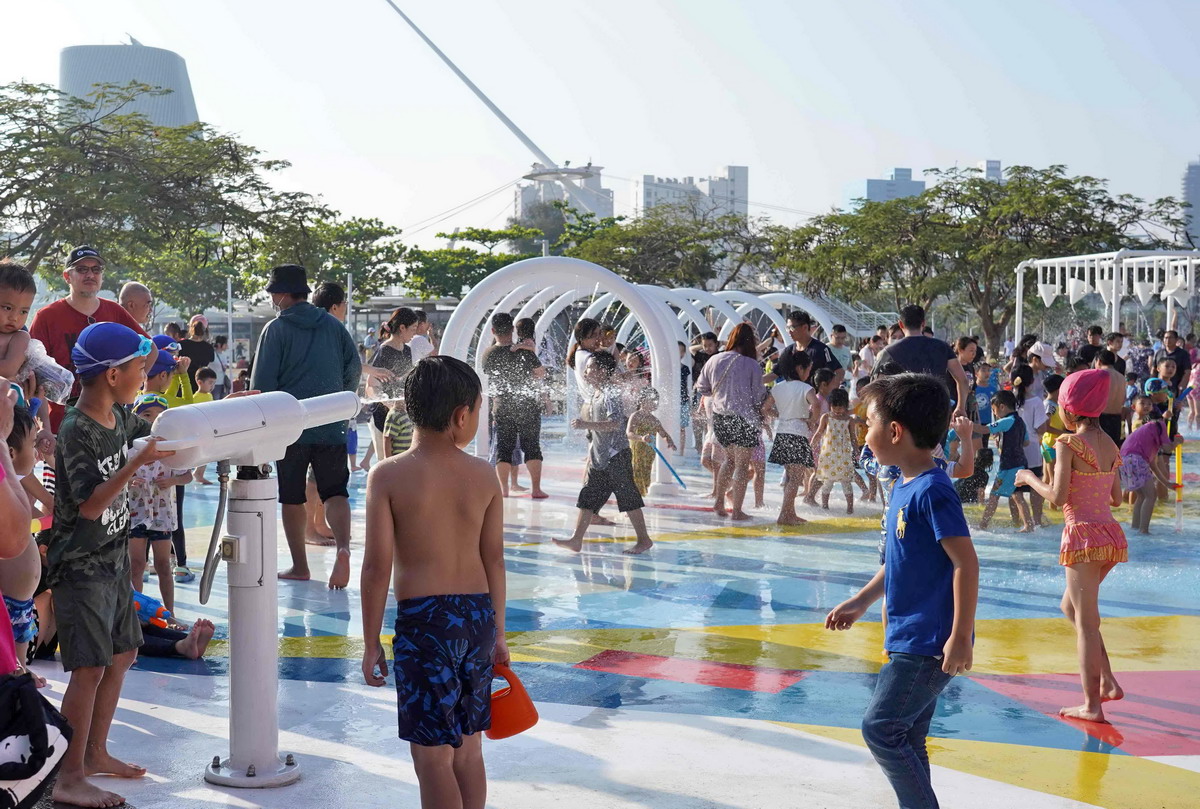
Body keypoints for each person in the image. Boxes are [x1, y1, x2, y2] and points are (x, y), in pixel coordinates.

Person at [359, 356, 508, 809]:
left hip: (425, 626)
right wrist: (498, 632)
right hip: (477, 619)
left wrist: (370, 643)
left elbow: (376, 567)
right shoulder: (484, 475)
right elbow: (495, 561)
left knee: (431, 758)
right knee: (469, 748)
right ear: (462, 415)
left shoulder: (388, 475)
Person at [825, 373, 978, 809]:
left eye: (869, 423)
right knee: (908, 735)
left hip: (930, 641)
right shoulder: (902, 486)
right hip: (909, 635)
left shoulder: (932, 490)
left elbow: (965, 562)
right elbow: (898, 561)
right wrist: (861, 601)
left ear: (894, 431)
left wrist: (961, 635)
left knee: (881, 728)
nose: (864, 433)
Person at [45, 322, 173, 808]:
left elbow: (163, 430)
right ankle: (68, 775)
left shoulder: (120, 417)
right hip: (80, 566)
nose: (147, 376)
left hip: (112, 561)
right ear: (115, 374)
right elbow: (90, 507)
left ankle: (95, 752)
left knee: (121, 655)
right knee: (88, 668)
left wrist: (234, 411)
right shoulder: (77, 430)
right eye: (142, 369)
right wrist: (134, 466)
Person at [1015, 370, 1126, 723]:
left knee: (1086, 623)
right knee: (1074, 610)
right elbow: (1117, 498)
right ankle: (1107, 681)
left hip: (1082, 536)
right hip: (1109, 535)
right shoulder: (1110, 444)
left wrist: (1030, 477)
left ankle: (1092, 705)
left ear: (1070, 411)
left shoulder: (1067, 443)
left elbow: (1058, 498)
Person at [250, 264, 361, 590]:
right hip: (330, 423)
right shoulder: (333, 326)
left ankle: (300, 566)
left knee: (292, 497)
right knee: (335, 492)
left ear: (280, 294)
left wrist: (264, 431)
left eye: (272, 293)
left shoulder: (276, 329)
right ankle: (343, 548)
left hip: (291, 427)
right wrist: (337, 403)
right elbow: (353, 370)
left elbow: (263, 386)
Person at [29, 246, 157, 432]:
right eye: (82, 269)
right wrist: (44, 428)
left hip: (110, 423)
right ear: (67, 276)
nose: (90, 274)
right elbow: (35, 374)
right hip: (62, 425)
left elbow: (150, 348)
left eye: (96, 269)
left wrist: (130, 386)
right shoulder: (46, 317)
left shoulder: (114, 311)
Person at [555, 351, 655, 554]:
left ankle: (644, 540)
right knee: (587, 497)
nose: (586, 370)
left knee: (628, 498)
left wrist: (586, 424)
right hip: (600, 456)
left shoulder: (611, 394)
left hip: (616, 455)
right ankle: (576, 539)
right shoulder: (596, 394)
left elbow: (616, 423)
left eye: (591, 367)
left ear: (602, 371)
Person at [695, 323, 770, 521]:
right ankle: (736, 511)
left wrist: (720, 395)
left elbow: (702, 387)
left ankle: (719, 502)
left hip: (720, 418)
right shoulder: (751, 364)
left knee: (728, 460)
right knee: (742, 466)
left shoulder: (714, 359)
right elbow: (757, 396)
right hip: (743, 419)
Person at [127, 393, 192, 619]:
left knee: (164, 565)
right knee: (136, 565)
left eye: (157, 416)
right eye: (146, 415)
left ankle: (170, 612)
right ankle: (135, 616)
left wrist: (173, 480)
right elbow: (117, 477)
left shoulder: (172, 451)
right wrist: (129, 480)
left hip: (162, 516)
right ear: (135, 417)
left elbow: (187, 476)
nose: (151, 421)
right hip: (137, 514)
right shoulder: (131, 451)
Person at [0, 405, 46, 685]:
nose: (38, 453)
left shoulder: (16, 484)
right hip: (9, 593)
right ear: (11, 453)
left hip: (21, 596)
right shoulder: (7, 487)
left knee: (22, 630)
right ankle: (14, 668)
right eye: (33, 445)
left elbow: (35, 516)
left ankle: (20, 666)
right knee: (12, 630)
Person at [482, 313, 547, 499]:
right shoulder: (524, 351)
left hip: (502, 406)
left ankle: (504, 490)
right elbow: (540, 373)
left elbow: (489, 373)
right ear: (512, 329)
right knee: (532, 446)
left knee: (504, 448)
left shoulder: (488, 354)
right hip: (527, 404)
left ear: (493, 330)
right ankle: (536, 489)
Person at [870, 305, 969, 419]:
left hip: (903, 414)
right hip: (937, 412)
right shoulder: (943, 348)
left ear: (901, 324)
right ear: (923, 323)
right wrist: (960, 407)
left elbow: (875, 386)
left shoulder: (888, 352)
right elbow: (963, 380)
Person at [764, 350, 818, 526]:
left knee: (790, 476)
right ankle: (784, 515)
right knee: (796, 478)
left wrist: (780, 414)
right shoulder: (805, 388)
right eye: (808, 369)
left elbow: (764, 409)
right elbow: (816, 404)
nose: (809, 373)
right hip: (798, 434)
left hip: (782, 433)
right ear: (800, 368)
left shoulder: (778, 387)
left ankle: (790, 513)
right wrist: (812, 420)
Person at [975, 390, 1033, 532]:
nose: (994, 414)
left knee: (994, 495)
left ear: (1002, 407)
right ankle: (1028, 525)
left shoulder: (1006, 421)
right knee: (1017, 495)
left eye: (994, 410)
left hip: (1008, 466)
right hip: (1021, 463)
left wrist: (965, 425)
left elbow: (983, 429)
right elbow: (1026, 443)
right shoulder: (1020, 421)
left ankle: (983, 525)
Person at [366, 308, 418, 462]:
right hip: (383, 418)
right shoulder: (385, 351)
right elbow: (371, 386)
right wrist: (391, 405)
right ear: (402, 328)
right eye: (413, 329)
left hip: (402, 417)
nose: (414, 333)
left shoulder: (407, 351)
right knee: (386, 465)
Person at [1120, 418, 1182, 535]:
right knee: (1151, 495)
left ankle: (1135, 528)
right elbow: (1167, 448)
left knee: (1142, 496)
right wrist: (1176, 442)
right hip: (1135, 459)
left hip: (1124, 461)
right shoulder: (1159, 425)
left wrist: (1167, 484)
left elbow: (1153, 466)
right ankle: (1144, 530)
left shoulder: (1145, 437)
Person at [810, 388, 858, 514]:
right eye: (834, 406)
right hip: (828, 456)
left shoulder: (849, 420)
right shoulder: (826, 417)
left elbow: (853, 437)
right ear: (830, 405)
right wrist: (811, 445)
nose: (837, 410)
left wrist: (857, 451)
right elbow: (819, 433)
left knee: (846, 481)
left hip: (844, 456)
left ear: (846, 406)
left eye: (840, 407)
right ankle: (825, 506)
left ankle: (850, 508)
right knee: (827, 481)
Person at [775, 310, 844, 390]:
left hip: (814, 399)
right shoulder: (788, 351)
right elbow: (775, 373)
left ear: (805, 327)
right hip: (795, 398)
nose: (789, 332)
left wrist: (828, 393)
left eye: (792, 328)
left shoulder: (820, 349)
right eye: (787, 328)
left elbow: (839, 371)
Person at [626, 387, 676, 496]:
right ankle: (633, 502)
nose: (655, 403)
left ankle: (639, 500)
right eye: (652, 400)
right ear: (642, 400)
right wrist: (641, 438)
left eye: (656, 400)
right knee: (635, 474)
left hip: (649, 453)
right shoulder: (636, 416)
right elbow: (629, 433)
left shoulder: (654, 419)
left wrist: (670, 441)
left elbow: (663, 433)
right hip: (636, 452)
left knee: (645, 475)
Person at [688, 331, 720, 451]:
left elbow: (730, 347)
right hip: (700, 390)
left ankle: (710, 441)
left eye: (710, 345)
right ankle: (698, 444)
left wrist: (721, 342)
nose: (707, 348)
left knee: (710, 418)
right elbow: (691, 348)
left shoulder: (720, 355)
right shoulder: (701, 356)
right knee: (698, 417)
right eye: (705, 346)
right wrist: (703, 345)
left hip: (715, 392)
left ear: (716, 344)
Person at [1094, 349, 1127, 448]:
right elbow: (1124, 399)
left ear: (1098, 361)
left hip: (1101, 418)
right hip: (1116, 419)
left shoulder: (1099, 374)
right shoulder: (1121, 377)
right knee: (1112, 454)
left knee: (1099, 453)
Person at [178, 316, 215, 389]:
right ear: (205, 329)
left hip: (183, 383)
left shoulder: (181, 345)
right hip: (202, 384)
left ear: (190, 327)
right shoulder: (208, 347)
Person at [1153, 330, 1191, 396]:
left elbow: (1187, 371)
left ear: (1176, 340)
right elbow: (1154, 370)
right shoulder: (1159, 353)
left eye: (1170, 338)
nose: (1167, 340)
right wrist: (1152, 382)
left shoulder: (1183, 354)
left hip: (1175, 386)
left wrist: (1182, 385)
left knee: (1172, 405)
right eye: (1166, 338)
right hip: (1159, 387)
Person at [208, 334, 231, 400]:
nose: (227, 346)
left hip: (222, 382)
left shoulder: (224, 355)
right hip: (214, 382)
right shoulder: (212, 354)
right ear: (219, 344)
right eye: (225, 344)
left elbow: (224, 367)